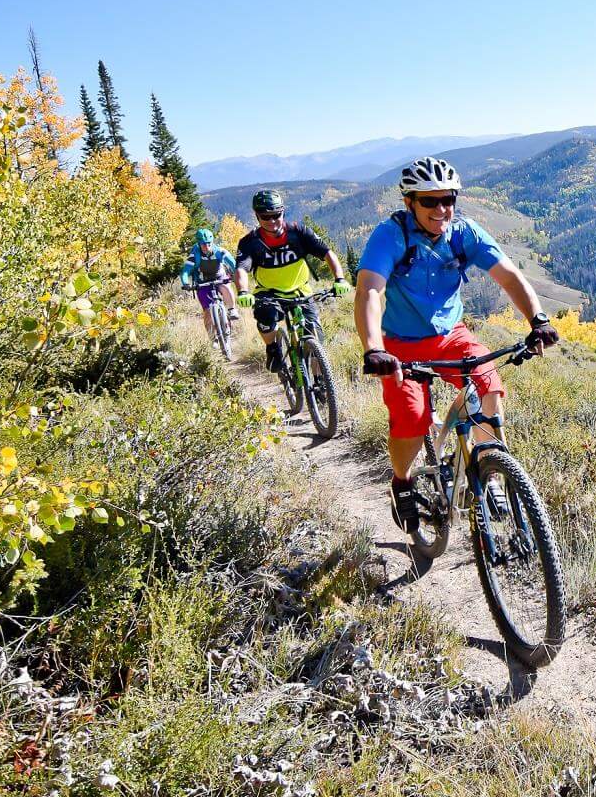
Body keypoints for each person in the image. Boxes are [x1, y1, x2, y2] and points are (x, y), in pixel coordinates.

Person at [354, 157, 560, 530]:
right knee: (411, 419)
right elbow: (369, 290)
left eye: (447, 199)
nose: (441, 209)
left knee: (488, 383)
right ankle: (402, 482)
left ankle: (488, 469)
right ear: (409, 202)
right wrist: (373, 348)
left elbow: (509, 276)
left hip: (452, 336)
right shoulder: (390, 236)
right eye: (429, 201)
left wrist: (538, 320)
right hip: (400, 345)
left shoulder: (464, 233)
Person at [234, 189, 346, 373]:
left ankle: (320, 382)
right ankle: (273, 348)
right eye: (265, 216)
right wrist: (243, 292)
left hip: (301, 291)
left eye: (276, 215)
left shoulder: (298, 232)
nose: (271, 221)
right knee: (265, 317)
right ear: (257, 216)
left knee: (316, 337)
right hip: (268, 293)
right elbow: (241, 269)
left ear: (283, 212)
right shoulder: (250, 242)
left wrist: (340, 279)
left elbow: (327, 253)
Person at [178, 227, 239, 344]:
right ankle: (213, 338)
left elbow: (233, 264)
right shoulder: (194, 256)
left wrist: (236, 274)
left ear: (212, 242)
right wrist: (186, 283)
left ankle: (232, 310)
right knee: (207, 312)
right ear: (199, 244)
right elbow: (185, 272)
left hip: (219, 277)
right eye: (203, 244)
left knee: (226, 287)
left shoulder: (220, 251)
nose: (206, 246)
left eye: (208, 243)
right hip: (202, 282)